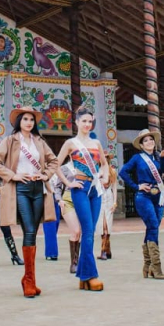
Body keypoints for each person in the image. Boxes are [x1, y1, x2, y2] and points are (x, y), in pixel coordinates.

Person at [0, 106, 59, 298]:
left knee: (34, 232)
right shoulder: (10, 141)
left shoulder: (39, 142)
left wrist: (45, 175)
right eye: (25, 119)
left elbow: (54, 161)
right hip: (20, 189)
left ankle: (30, 279)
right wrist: (13, 175)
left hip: (38, 189)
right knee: (28, 230)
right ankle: (29, 280)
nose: (29, 122)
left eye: (31, 119)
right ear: (18, 121)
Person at [54, 107, 110, 291]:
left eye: (90, 121)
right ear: (76, 122)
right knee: (86, 231)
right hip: (80, 188)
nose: (87, 124)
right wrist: (68, 183)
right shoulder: (71, 143)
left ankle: (83, 277)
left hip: (95, 189)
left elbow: (104, 164)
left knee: (91, 231)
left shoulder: (97, 143)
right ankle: (91, 275)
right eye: (83, 121)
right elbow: (55, 164)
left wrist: (105, 177)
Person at [118, 129, 164, 280]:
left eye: (151, 139)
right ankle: (156, 268)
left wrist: (163, 159)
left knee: (152, 227)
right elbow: (123, 172)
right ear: (141, 145)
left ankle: (148, 266)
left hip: (157, 195)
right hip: (143, 196)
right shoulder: (137, 158)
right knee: (153, 224)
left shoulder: (158, 157)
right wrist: (136, 186)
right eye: (145, 140)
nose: (149, 142)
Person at [97, 151, 117, 261]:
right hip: (99, 198)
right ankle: (107, 250)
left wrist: (115, 202)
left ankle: (103, 250)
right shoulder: (96, 171)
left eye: (106, 157)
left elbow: (114, 187)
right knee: (101, 225)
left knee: (107, 225)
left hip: (108, 198)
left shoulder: (112, 171)